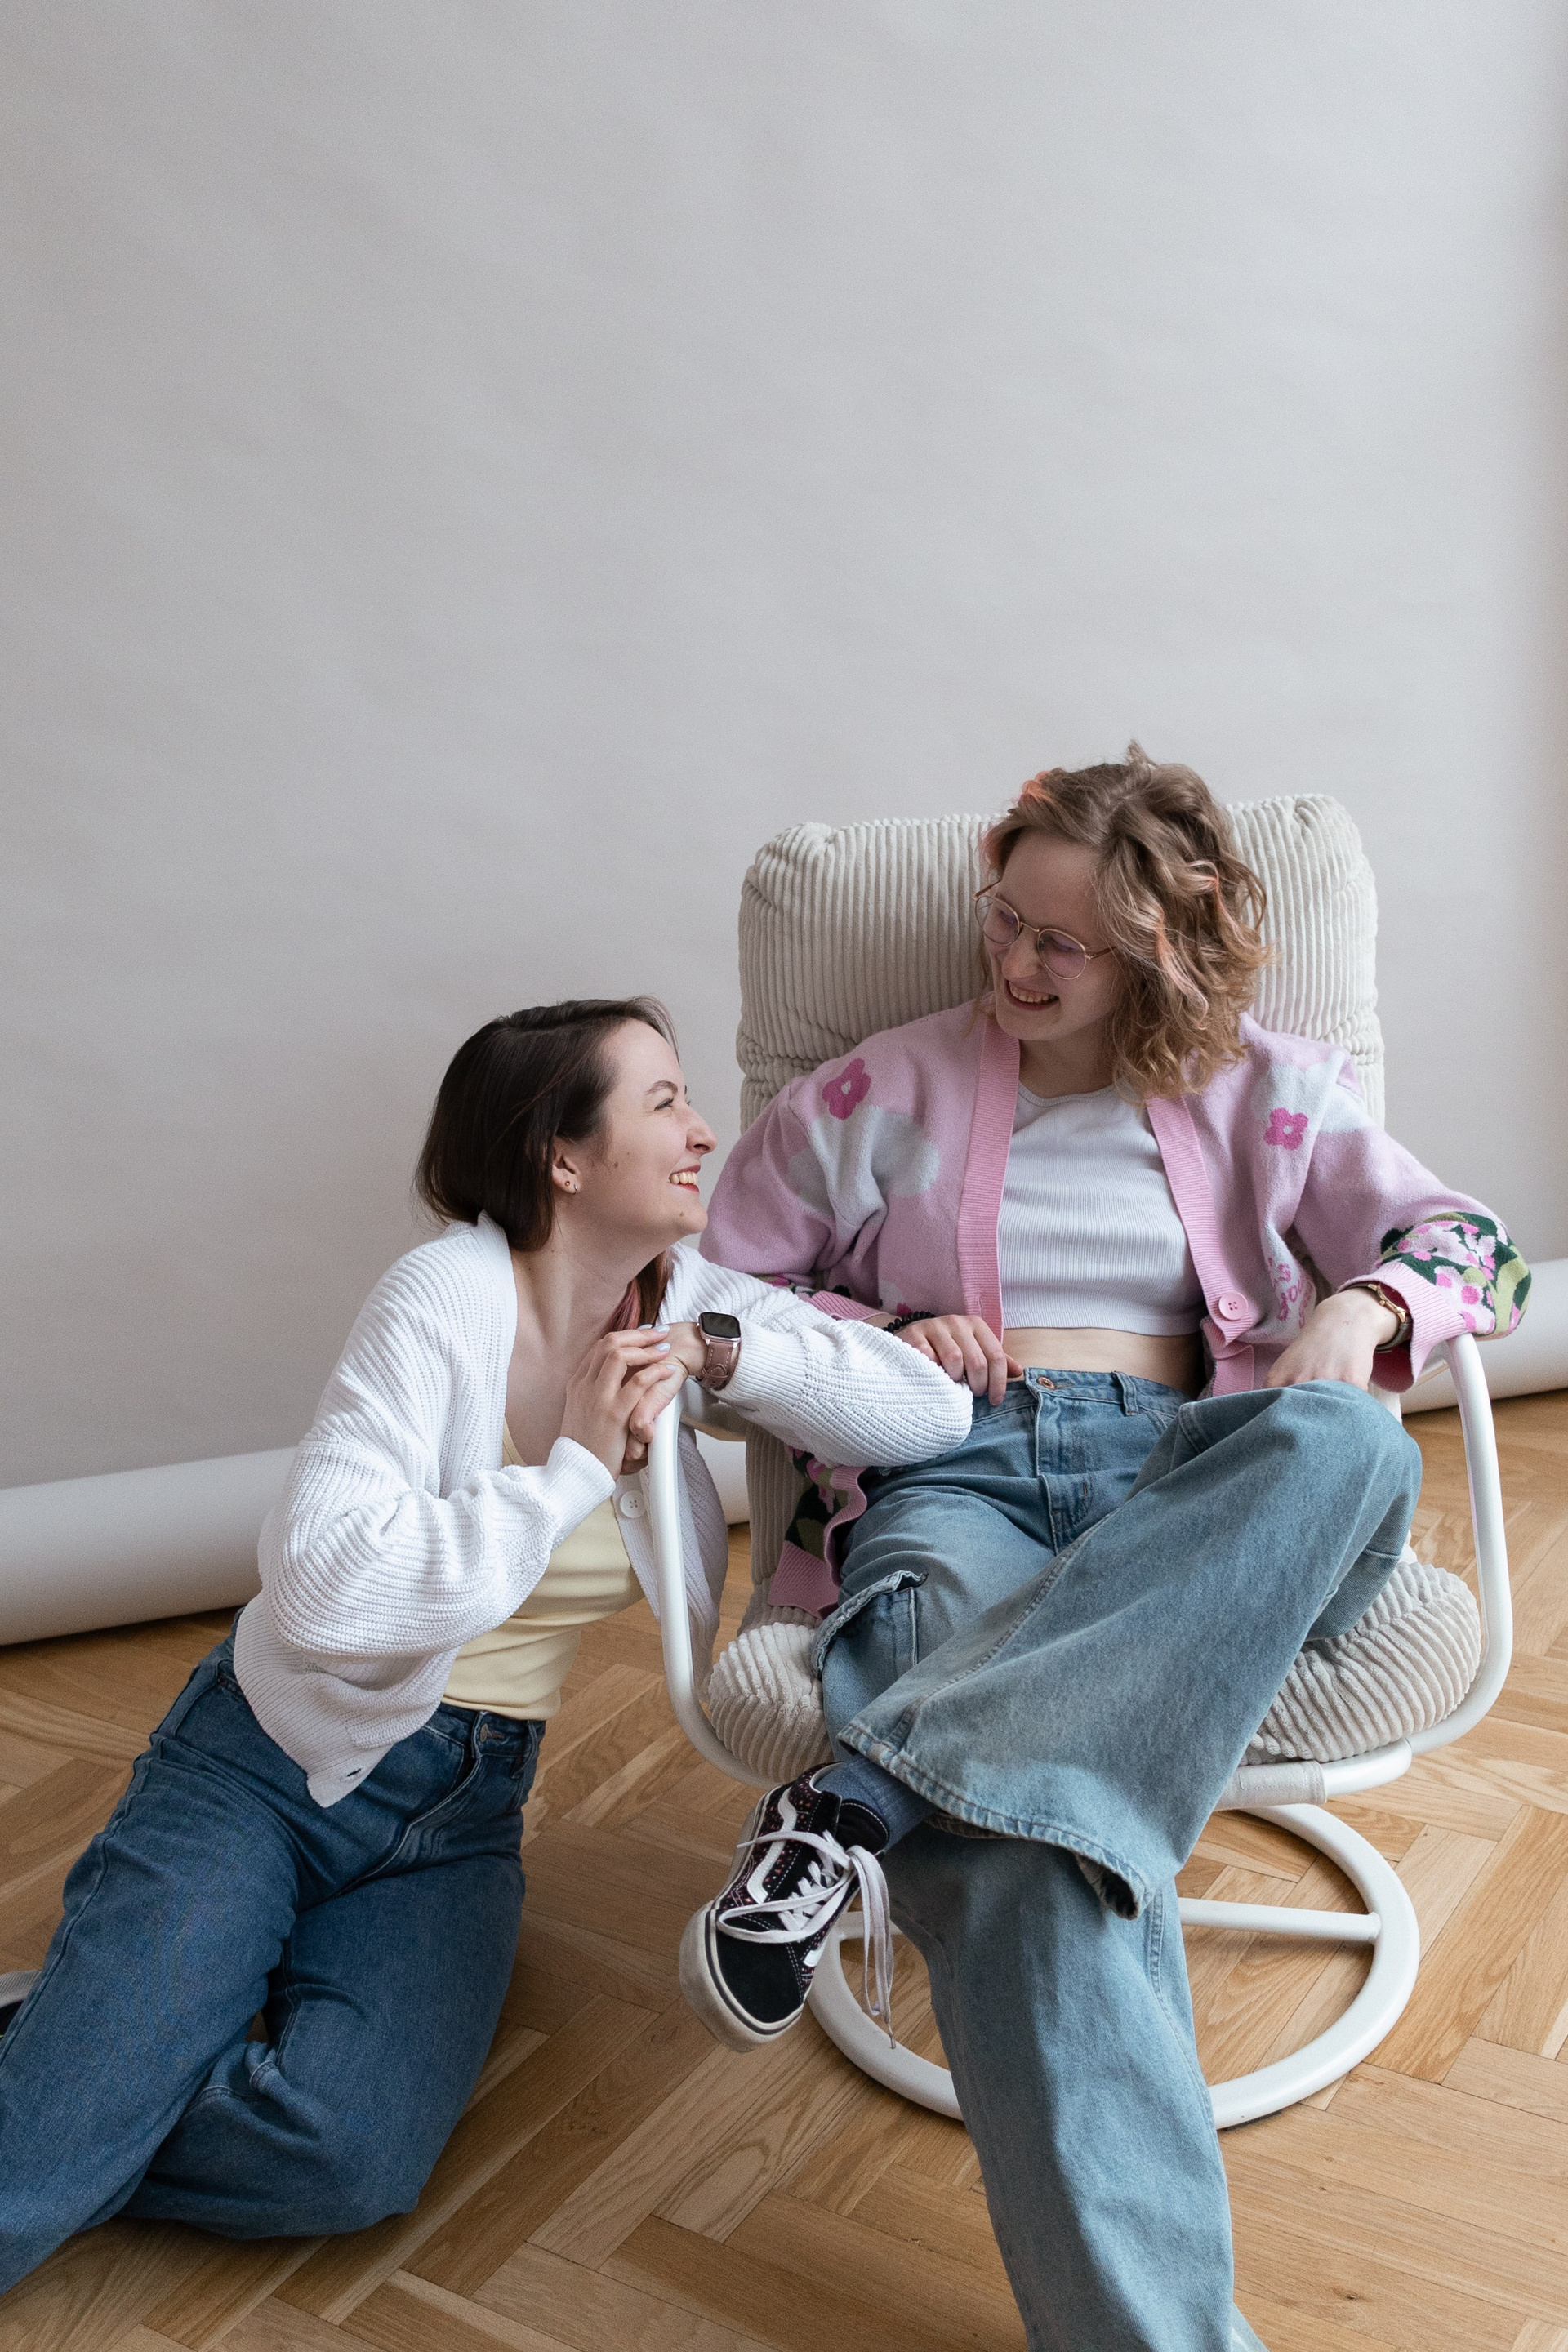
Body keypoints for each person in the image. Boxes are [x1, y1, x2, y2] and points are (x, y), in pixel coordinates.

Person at [679, 750, 1529, 2352]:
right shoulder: (875, 1093)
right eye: (1004, 919)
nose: (1014, 962)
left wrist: (1364, 1306)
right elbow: (710, 1294)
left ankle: (864, 1796)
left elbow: (1478, 1252)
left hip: (1201, 1487)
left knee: (1348, 1441)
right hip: (957, 1472)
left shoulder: (1269, 1090)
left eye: (1061, 944)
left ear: (1156, 952)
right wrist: (880, 1335)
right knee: (1025, 1861)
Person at [0, 997, 971, 2291]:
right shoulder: (440, 1300)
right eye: (665, 1103)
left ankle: (85, 2058)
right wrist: (569, 1474)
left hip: (462, 1816)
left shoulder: (680, 1300)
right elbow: (322, 1588)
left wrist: (720, 1352)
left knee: (344, 2160)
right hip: (268, 1765)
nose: (703, 1132)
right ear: (561, 1157)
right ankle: (82, 2076)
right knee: (25, 2176)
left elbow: (932, 1413)